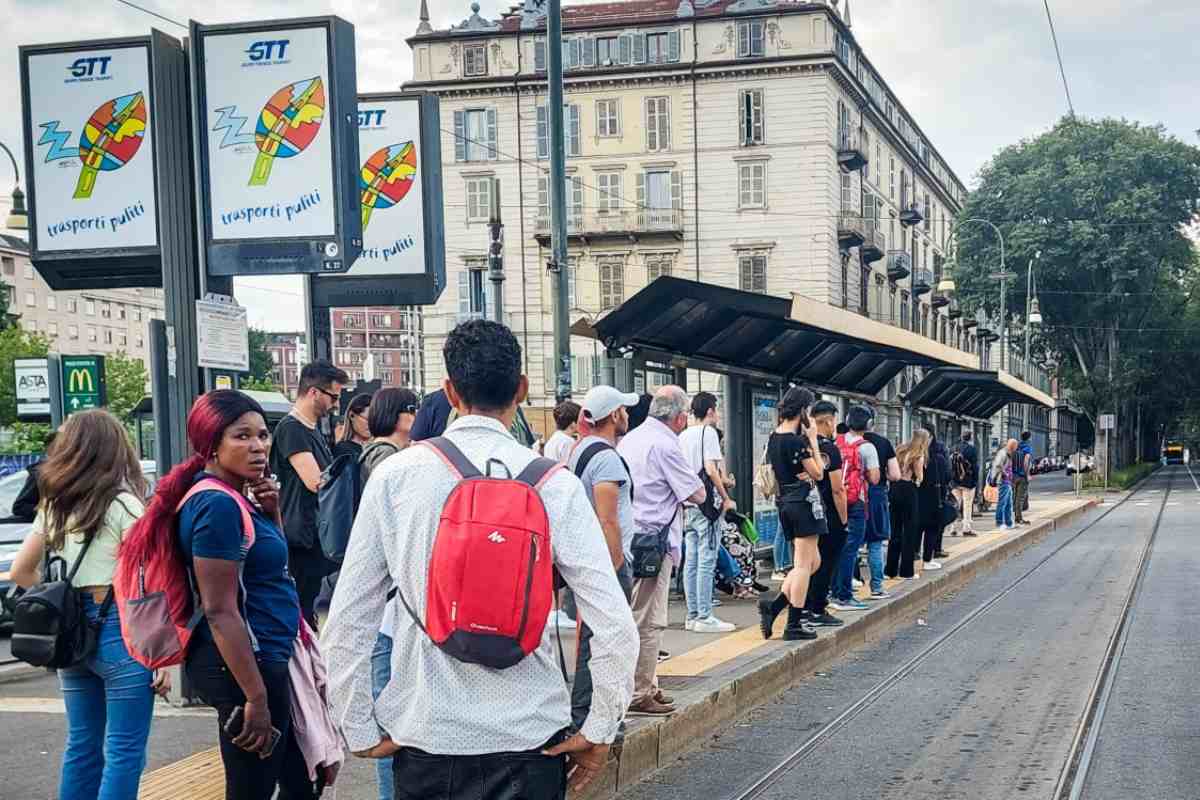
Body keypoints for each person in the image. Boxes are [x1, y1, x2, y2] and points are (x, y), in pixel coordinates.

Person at [323, 319, 637, 799]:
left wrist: (359, 726)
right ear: (522, 388)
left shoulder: (398, 476)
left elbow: (350, 617)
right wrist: (599, 728)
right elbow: (614, 621)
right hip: (532, 739)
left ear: (449, 391)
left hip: (429, 737)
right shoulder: (554, 483)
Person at [9, 411, 166, 800]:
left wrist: (63, 601)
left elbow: (20, 571)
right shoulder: (125, 504)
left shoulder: (55, 503)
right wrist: (164, 657)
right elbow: (152, 580)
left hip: (72, 630)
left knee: (82, 747)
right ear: (116, 449)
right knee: (125, 751)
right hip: (119, 628)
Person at [618, 385, 706, 714]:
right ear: (681, 417)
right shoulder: (666, 445)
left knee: (636, 613)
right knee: (650, 619)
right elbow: (696, 493)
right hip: (655, 542)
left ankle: (649, 685)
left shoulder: (633, 438)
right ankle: (639, 692)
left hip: (631, 537)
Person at [356, 387, 419, 800]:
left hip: (390, 605)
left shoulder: (378, 455)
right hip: (389, 606)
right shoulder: (387, 460)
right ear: (398, 415)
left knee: (392, 713)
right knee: (390, 718)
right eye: (413, 410)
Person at [567, 385, 640, 733]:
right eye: (624, 410)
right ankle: (596, 715)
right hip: (607, 562)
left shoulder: (579, 450)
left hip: (587, 557)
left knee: (593, 639)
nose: (628, 415)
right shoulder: (608, 458)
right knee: (608, 641)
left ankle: (588, 711)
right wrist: (616, 567)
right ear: (614, 416)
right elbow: (607, 516)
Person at [271, 360, 348, 626]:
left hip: (313, 534)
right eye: (333, 396)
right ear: (314, 392)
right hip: (299, 536)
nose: (336, 404)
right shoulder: (292, 429)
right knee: (302, 612)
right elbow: (315, 481)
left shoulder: (312, 430)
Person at [757, 386, 825, 641]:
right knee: (803, 566)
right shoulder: (797, 441)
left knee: (812, 562)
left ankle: (773, 606)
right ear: (803, 411)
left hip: (785, 501)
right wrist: (815, 441)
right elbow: (818, 472)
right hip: (803, 503)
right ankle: (794, 623)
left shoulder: (775, 437)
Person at [678, 392, 737, 633]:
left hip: (688, 504)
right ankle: (704, 615)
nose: (719, 413)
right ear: (710, 411)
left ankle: (692, 615)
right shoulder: (708, 432)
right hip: (706, 506)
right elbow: (711, 469)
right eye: (717, 409)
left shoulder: (682, 435)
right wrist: (726, 497)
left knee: (690, 560)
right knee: (707, 559)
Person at [829, 405, 882, 611]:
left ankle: (833, 591)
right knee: (851, 549)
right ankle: (844, 595)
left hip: (836, 499)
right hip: (855, 502)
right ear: (868, 424)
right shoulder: (866, 447)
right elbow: (875, 477)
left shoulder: (837, 442)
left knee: (836, 546)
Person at [802, 401, 847, 628]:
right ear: (828, 421)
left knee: (805, 562)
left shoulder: (802, 444)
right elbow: (838, 488)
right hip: (827, 512)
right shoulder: (830, 448)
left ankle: (803, 607)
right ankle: (818, 608)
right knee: (826, 561)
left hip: (804, 511)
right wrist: (844, 519)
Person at [861, 411, 898, 598]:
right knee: (875, 542)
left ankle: (846, 586)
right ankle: (876, 587)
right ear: (871, 423)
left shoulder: (845, 442)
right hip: (876, 495)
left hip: (851, 495)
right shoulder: (883, 443)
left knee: (850, 544)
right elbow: (895, 475)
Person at [885, 429, 930, 581]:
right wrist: (918, 480)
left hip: (894, 489)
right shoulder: (918, 455)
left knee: (895, 531)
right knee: (910, 531)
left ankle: (890, 570)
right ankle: (906, 571)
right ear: (924, 440)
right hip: (908, 491)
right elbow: (920, 477)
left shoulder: (900, 449)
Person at [917, 429, 952, 569]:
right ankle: (928, 558)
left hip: (916, 497)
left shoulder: (910, 453)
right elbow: (947, 477)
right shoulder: (939, 457)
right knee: (932, 528)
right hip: (934, 497)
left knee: (915, 528)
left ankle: (913, 554)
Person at [951, 431, 979, 536]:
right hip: (968, 481)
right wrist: (975, 480)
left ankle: (952, 527)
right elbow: (975, 467)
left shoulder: (953, 448)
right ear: (970, 438)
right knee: (967, 505)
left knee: (956, 504)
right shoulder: (972, 449)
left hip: (954, 481)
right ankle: (966, 528)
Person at [332, 393, 372, 460]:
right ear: (352, 416)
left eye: (375, 419)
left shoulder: (379, 447)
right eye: (367, 419)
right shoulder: (343, 449)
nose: (371, 424)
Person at [991, 439, 1018, 530]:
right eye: (1015, 446)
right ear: (1012, 446)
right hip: (1002, 481)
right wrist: (1005, 473)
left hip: (1008, 481)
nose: (1016, 448)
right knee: (1002, 502)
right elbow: (998, 465)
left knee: (1008, 503)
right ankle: (999, 522)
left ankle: (1009, 522)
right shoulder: (1003, 453)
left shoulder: (1008, 453)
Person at [1014, 431, 1034, 525]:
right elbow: (1026, 461)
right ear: (1029, 438)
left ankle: (1013, 517)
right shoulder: (1027, 447)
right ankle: (1019, 518)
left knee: (1013, 497)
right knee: (1020, 498)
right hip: (1022, 476)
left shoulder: (1016, 446)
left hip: (1013, 476)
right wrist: (1027, 475)